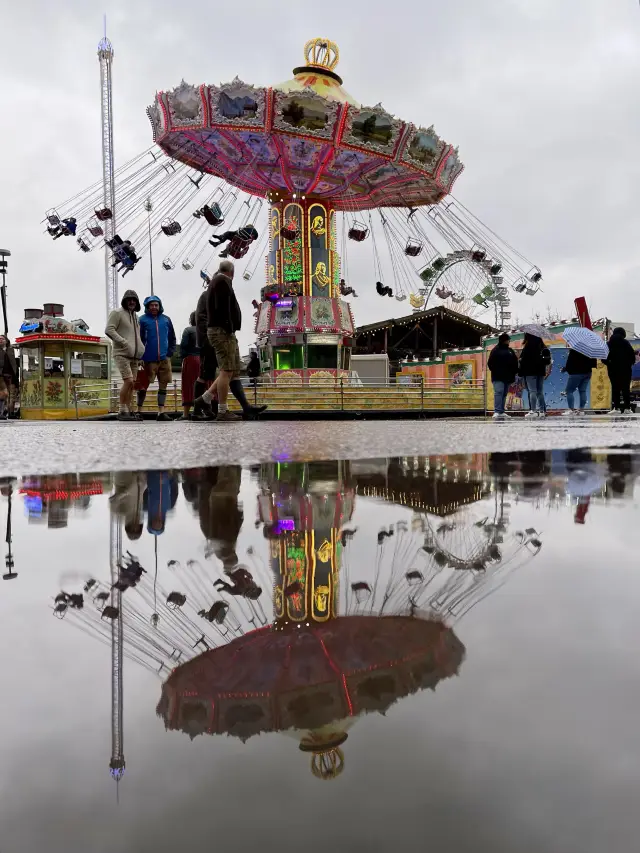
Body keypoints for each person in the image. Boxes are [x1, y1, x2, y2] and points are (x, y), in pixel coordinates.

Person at [194, 261, 266, 422]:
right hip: (223, 332)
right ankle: (222, 410)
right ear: (232, 272)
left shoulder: (215, 284)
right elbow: (224, 308)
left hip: (223, 331)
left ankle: (206, 399)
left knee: (232, 371)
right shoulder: (223, 282)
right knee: (226, 370)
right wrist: (229, 326)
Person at [105, 289, 145, 421]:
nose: (132, 302)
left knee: (132, 383)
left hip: (134, 355)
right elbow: (109, 329)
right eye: (129, 299)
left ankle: (128, 410)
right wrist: (123, 342)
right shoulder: (117, 313)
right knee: (128, 381)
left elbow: (136, 336)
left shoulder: (135, 317)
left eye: (134, 299)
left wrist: (140, 352)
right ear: (124, 300)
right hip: (121, 353)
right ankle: (122, 410)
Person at [135, 296, 176, 421]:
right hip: (148, 359)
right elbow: (138, 339)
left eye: (156, 305)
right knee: (143, 386)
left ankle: (161, 412)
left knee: (163, 386)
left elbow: (172, 338)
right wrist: (140, 356)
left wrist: (170, 352)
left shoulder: (166, 320)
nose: (154, 307)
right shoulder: (141, 320)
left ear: (160, 306)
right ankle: (139, 411)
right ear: (147, 307)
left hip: (164, 359)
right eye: (151, 305)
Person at [191, 285, 219, 420]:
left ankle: (204, 407)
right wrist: (209, 338)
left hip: (212, 339)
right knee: (205, 375)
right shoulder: (207, 296)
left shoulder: (212, 296)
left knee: (210, 375)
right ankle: (200, 407)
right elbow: (202, 319)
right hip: (210, 340)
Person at [518, 332, 551, 419]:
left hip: (529, 372)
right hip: (540, 371)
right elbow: (547, 360)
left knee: (532, 391)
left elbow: (522, 360)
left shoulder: (527, 347)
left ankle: (533, 410)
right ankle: (542, 411)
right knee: (540, 391)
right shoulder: (542, 346)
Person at [487, 333, 519, 420]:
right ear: (504, 340)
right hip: (498, 376)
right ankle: (497, 411)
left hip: (508, 376)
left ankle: (501, 411)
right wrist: (496, 370)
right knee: (499, 392)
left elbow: (515, 362)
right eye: (508, 339)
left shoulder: (510, 350)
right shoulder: (495, 350)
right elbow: (490, 363)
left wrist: (514, 372)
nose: (509, 341)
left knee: (504, 393)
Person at [605, 326, 636, 414]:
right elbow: (632, 356)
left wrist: (609, 363)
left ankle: (616, 408)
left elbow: (604, 356)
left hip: (612, 369)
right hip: (625, 370)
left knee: (615, 388)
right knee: (625, 388)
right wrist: (628, 363)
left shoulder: (609, 343)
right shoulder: (626, 343)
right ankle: (627, 408)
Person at [561, 347, 597, 415]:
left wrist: (565, 369)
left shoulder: (574, 349)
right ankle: (581, 410)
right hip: (588, 373)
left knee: (569, 391)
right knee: (582, 391)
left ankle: (571, 409)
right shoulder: (590, 349)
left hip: (576, 373)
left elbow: (569, 363)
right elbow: (593, 362)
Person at [179, 312, 200, 420]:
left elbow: (183, 346)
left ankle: (186, 414)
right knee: (204, 385)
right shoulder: (205, 330)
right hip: (204, 360)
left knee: (188, 385)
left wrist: (182, 357)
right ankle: (201, 410)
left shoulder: (188, 330)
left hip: (190, 360)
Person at [0, 336, 17, 420]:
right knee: (4, 393)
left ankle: (6, 411)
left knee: (8, 395)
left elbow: (13, 363)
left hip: (9, 375)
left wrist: (15, 374)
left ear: (6, 341)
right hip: (1, 375)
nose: (0, 340)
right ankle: (1, 412)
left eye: (2, 339)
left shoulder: (11, 350)